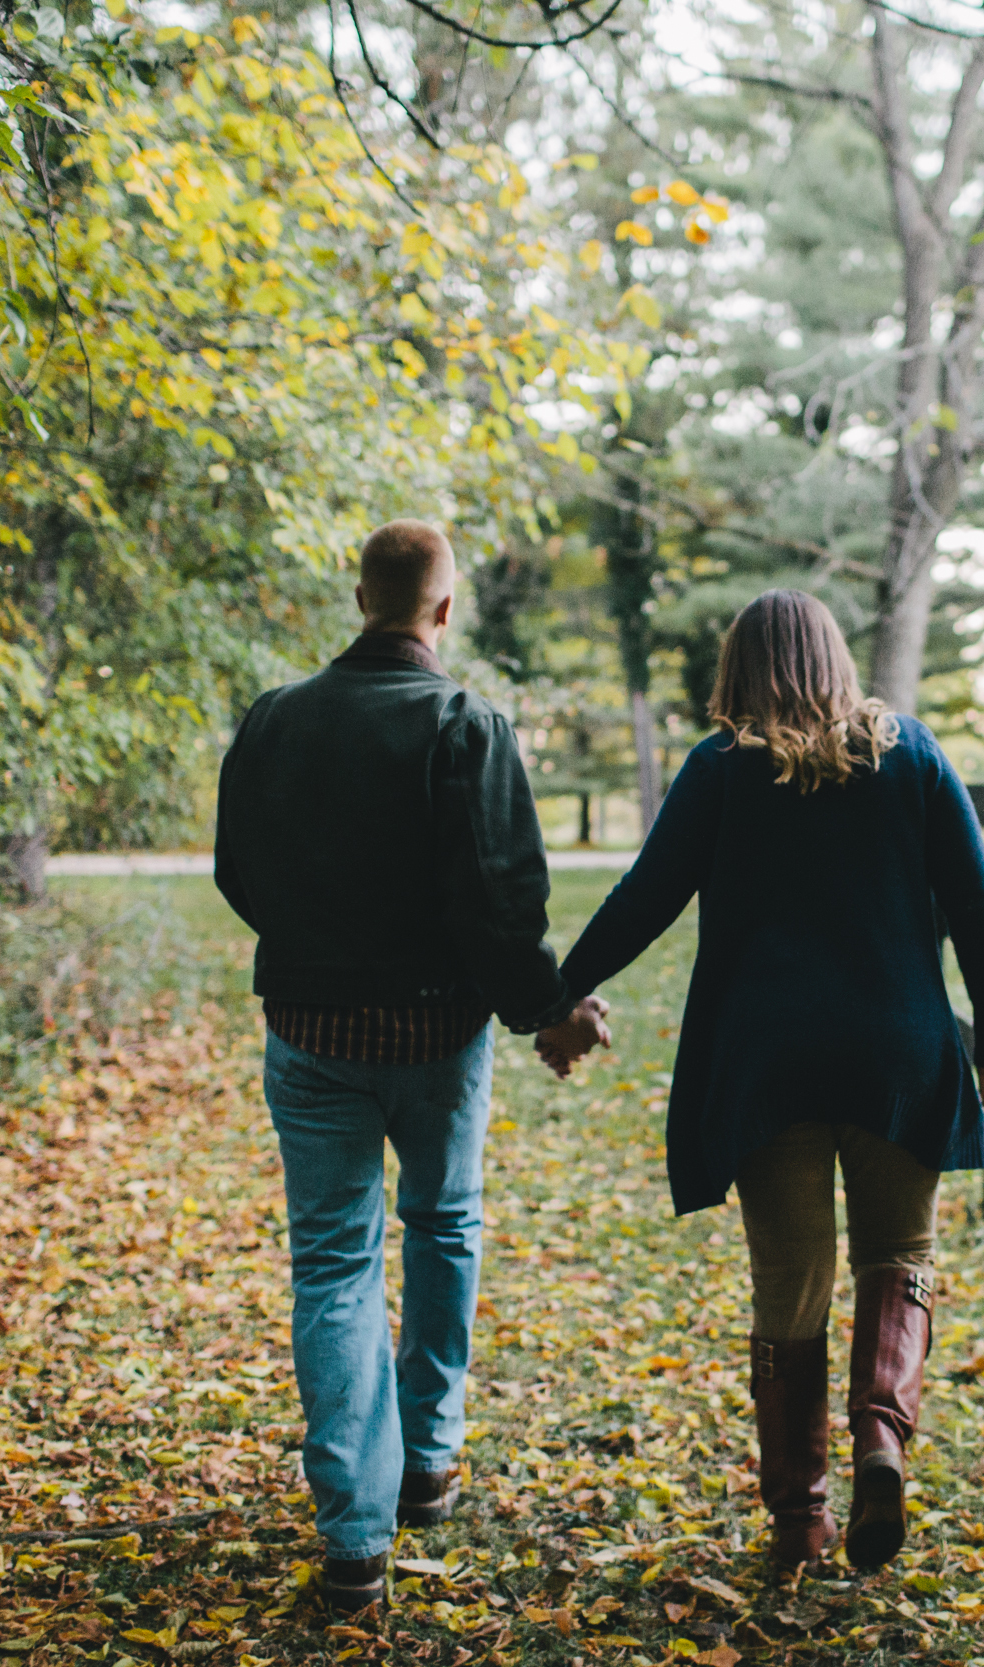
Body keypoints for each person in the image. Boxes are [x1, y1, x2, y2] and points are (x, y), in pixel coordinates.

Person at [545, 589, 984, 1573]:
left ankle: (798, 1518)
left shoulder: (720, 769)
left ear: (739, 669)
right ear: (836, 658)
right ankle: (881, 1439)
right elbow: (979, 906)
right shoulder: (914, 753)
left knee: (790, 1284)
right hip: (897, 1053)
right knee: (898, 1253)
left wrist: (562, 991)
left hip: (766, 1065)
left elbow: (648, 892)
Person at [213, 519, 611, 1615]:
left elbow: (235, 871)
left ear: (360, 596)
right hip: (436, 1037)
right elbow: (502, 901)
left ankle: (353, 1533)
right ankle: (427, 1460)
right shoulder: (464, 724)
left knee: (333, 1264)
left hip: (307, 1033)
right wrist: (545, 1008)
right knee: (443, 1224)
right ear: (444, 610)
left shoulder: (273, 720)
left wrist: (314, 948)